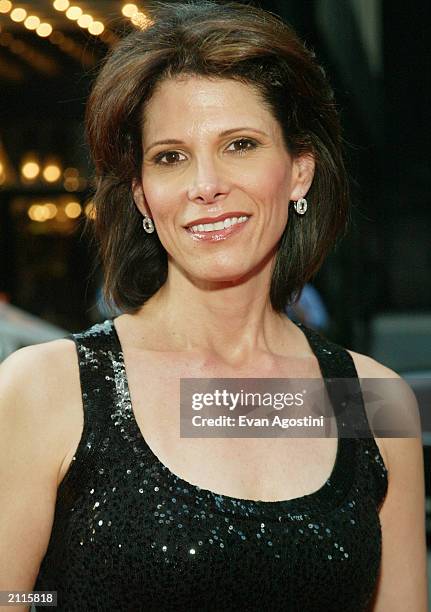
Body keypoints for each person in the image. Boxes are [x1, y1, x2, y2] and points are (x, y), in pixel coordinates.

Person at [0, 2, 427, 610]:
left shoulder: (372, 401)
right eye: (170, 156)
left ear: (299, 172)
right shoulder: (48, 389)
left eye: (241, 144)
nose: (206, 185)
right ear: (143, 196)